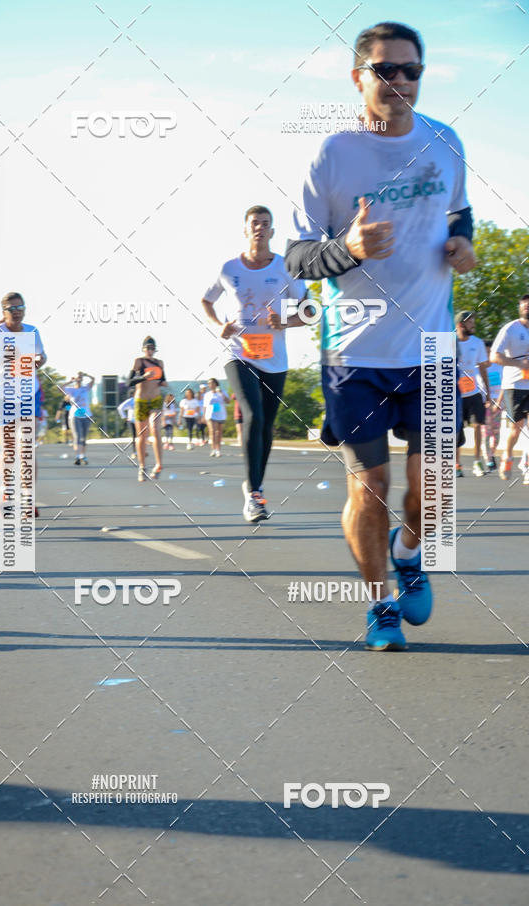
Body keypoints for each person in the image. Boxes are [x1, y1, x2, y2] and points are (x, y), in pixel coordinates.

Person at [285, 21, 476, 651]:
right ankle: (380, 603)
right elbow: (298, 257)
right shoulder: (333, 155)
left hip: (431, 347)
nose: (399, 82)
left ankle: (410, 550)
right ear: (358, 76)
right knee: (370, 488)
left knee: (434, 495)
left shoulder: (445, 142)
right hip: (355, 353)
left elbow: (458, 211)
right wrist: (348, 247)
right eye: (385, 71)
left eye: (411, 71)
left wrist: (463, 241)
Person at [202, 205, 308, 520]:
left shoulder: (285, 268)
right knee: (252, 415)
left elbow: (309, 311)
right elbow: (206, 300)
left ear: (272, 232)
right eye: (254, 223)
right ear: (245, 230)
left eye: (265, 223)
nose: (260, 228)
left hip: (274, 357)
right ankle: (255, 497)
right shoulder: (228, 268)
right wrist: (217, 324)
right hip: (239, 352)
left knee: (266, 426)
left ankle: (253, 484)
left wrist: (285, 322)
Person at [0, 292, 46, 515]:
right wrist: (4, 357)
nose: (16, 312)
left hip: (28, 393)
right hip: (3, 396)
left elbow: (42, 356)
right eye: (11, 309)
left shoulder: (32, 331)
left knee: (26, 446)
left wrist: (39, 360)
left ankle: (28, 498)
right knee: (9, 447)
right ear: (3, 311)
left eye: (20, 307)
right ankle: (6, 492)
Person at [491, 295, 529, 480]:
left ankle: (527, 464)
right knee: (517, 427)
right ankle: (507, 454)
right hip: (513, 385)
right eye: (524, 304)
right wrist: (520, 365)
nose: (527, 307)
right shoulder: (510, 329)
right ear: (520, 308)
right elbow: (494, 356)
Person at [455, 311, 490, 478]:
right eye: (470, 322)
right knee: (455, 430)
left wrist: (488, 392)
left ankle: (477, 461)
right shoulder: (449, 342)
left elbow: (482, 368)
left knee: (477, 426)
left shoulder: (477, 343)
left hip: (474, 392)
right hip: (454, 394)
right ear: (461, 325)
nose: (473, 324)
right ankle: (456, 464)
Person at [128, 337, 167, 481]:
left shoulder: (160, 363)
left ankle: (158, 464)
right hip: (141, 401)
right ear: (143, 349)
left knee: (155, 429)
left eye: (152, 348)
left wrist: (163, 383)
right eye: (148, 348)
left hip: (155, 400)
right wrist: (144, 377)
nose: (150, 351)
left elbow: (163, 379)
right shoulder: (139, 361)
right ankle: (142, 467)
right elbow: (129, 382)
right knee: (142, 436)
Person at [479, 341, 503, 473]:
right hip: (485, 402)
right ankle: (488, 460)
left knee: (496, 433)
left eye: (489, 352)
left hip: (498, 403)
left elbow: (504, 385)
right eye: (486, 352)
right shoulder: (480, 367)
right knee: (486, 433)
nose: (487, 354)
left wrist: (499, 402)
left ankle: (492, 454)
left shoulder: (499, 366)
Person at [63, 372, 95, 465]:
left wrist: (86, 375)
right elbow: (60, 387)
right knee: (77, 436)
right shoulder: (71, 390)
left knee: (83, 438)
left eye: (80, 378)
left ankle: (83, 455)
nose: (79, 379)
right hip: (75, 416)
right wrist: (70, 381)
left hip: (86, 415)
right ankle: (78, 456)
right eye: (78, 378)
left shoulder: (85, 388)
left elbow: (93, 380)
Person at [202, 379, 230, 458]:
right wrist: (203, 416)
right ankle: (213, 449)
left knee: (219, 433)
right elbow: (205, 406)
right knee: (212, 431)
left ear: (215, 384)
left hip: (221, 414)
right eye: (208, 383)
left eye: (211, 383)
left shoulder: (222, 392)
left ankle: (218, 450)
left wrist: (221, 393)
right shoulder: (207, 394)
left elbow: (228, 401)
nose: (209, 385)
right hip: (210, 415)